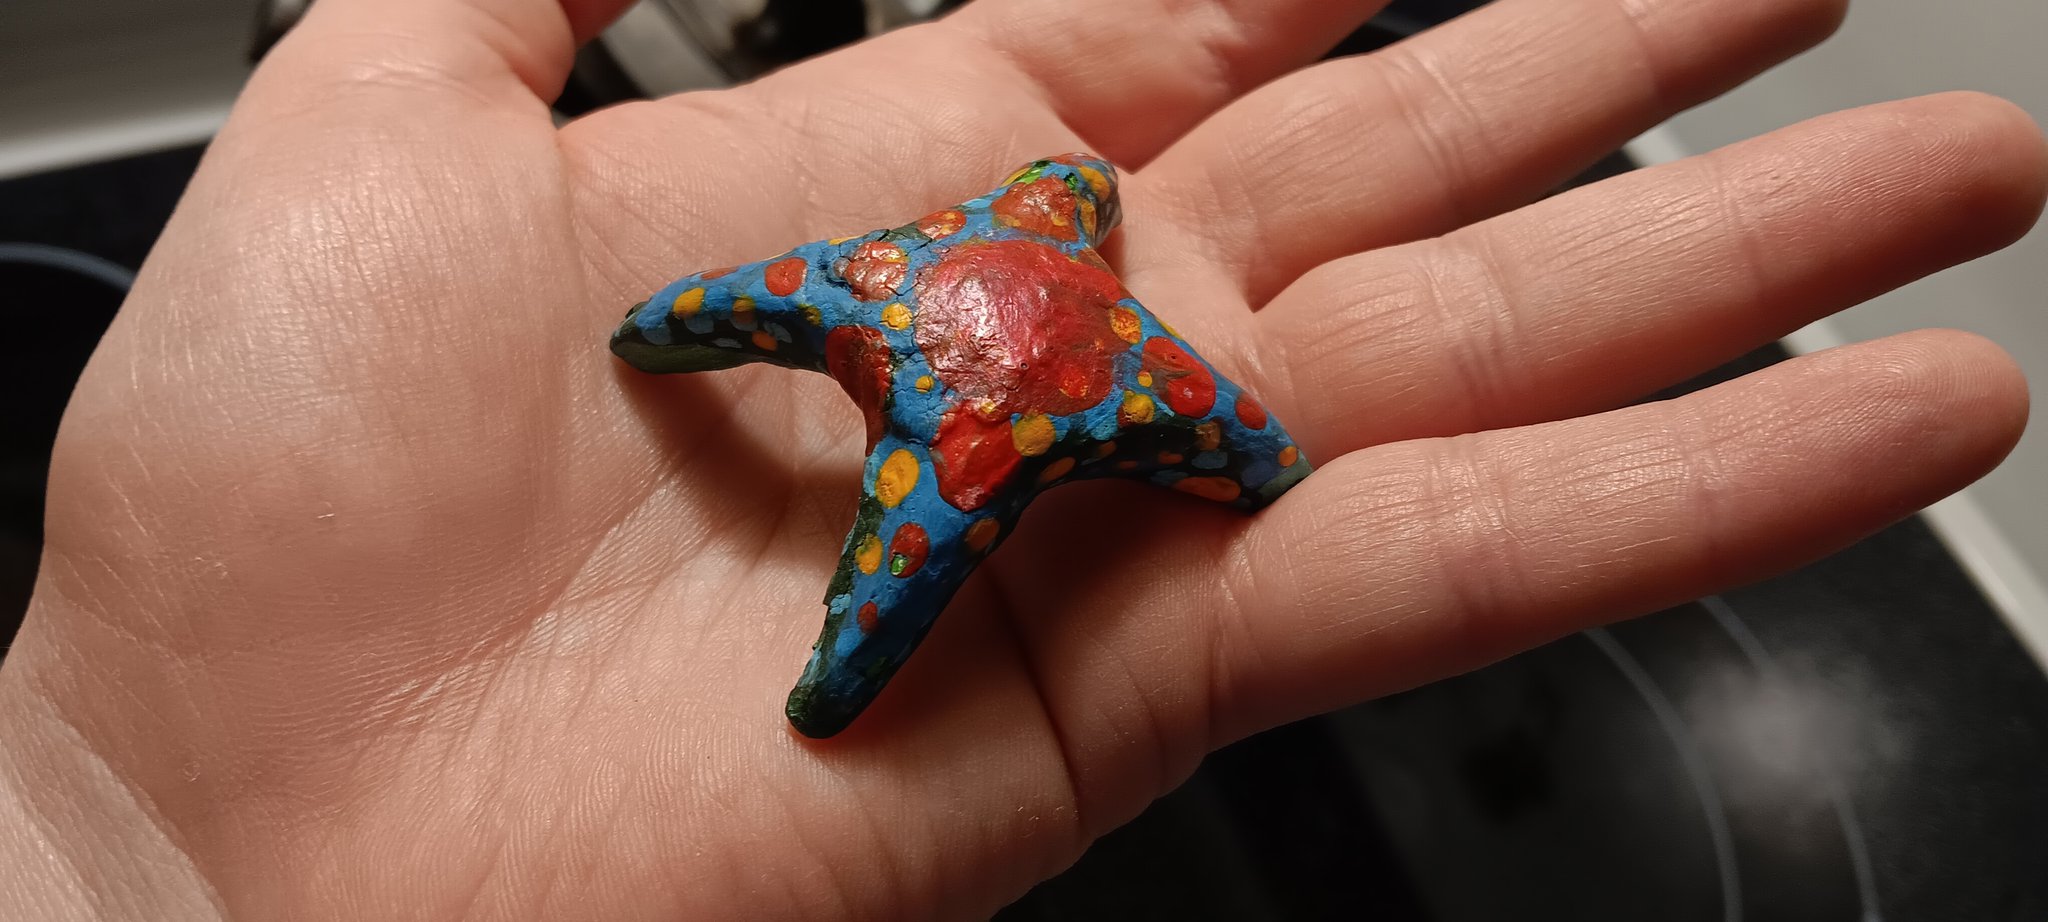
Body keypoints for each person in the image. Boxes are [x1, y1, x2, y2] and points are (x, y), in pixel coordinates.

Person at [1, 0, 2041, 917]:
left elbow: (1051, 254)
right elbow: (1062, 261)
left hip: (995, 374)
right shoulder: (1005, 289)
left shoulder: (953, 285)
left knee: (875, 504)